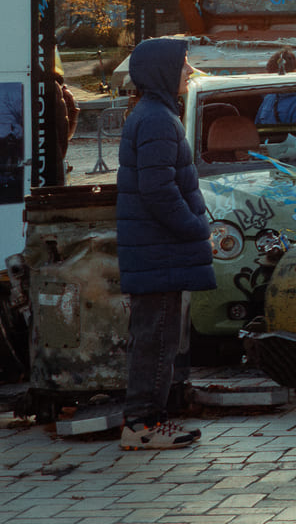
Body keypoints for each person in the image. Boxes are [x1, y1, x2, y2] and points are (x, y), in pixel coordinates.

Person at [116, 37, 214, 451]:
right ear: (162, 71)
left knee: (156, 336)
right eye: (184, 64)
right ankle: (144, 424)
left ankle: (148, 420)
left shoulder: (154, 113)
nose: (189, 71)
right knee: (157, 339)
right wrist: (195, 227)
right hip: (160, 250)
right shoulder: (157, 119)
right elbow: (158, 189)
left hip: (156, 251)